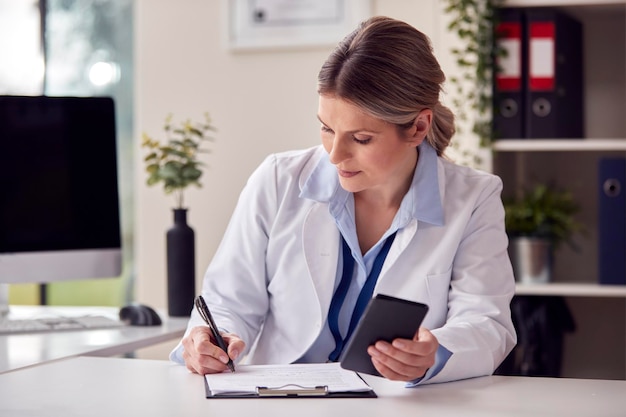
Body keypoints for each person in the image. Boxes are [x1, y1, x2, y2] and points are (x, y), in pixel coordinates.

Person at [170, 16, 516, 385]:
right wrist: (208, 339)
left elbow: (487, 323)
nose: (335, 155)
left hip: (396, 404)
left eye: (361, 138)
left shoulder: (474, 198)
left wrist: (433, 354)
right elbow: (228, 300)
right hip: (280, 398)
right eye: (326, 128)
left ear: (417, 127)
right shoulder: (277, 180)